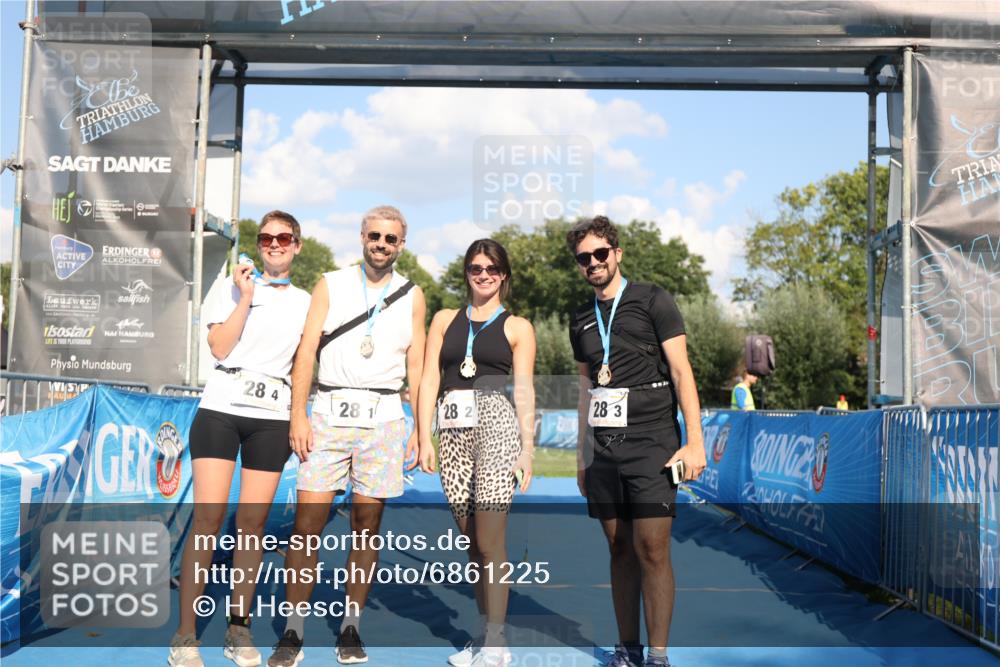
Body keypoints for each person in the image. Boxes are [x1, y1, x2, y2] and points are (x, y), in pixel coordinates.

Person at [268, 205, 426, 666]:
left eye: (390, 238)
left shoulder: (412, 294)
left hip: (384, 418)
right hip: (329, 413)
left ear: (401, 245)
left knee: (366, 527)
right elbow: (306, 352)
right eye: (374, 236)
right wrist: (298, 415)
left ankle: (350, 626)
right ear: (362, 237)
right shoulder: (331, 283)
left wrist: (421, 428)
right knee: (306, 527)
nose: (381, 244)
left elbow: (417, 364)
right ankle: (293, 629)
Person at [169, 211, 311, 667]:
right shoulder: (233, 286)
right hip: (221, 409)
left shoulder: (307, 302)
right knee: (208, 521)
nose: (274, 244)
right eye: (266, 238)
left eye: (283, 238)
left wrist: (299, 416)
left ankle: (238, 628)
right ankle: (185, 636)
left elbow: (306, 363)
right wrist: (246, 297)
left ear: (297, 245)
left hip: (271, 417)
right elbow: (219, 347)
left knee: (252, 526)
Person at [567, 216, 705, 667]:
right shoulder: (580, 318)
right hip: (604, 449)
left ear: (617, 253)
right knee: (619, 549)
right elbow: (585, 390)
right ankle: (627, 650)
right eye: (584, 258)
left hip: (653, 442)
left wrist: (695, 442)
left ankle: (658, 656)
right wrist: (583, 455)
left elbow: (682, 372)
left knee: (651, 548)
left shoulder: (652, 299)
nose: (593, 262)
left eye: (600, 253)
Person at [417, 238, 535, 667]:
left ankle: (497, 643)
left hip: (496, 428)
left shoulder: (517, 327)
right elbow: (429, 378)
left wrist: (527, 449)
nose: (483, 275)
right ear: (466, 272)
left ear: (503, 275)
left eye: (491, 269)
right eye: (475, 268)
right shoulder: (444, 319)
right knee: (471, 541)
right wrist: (423, 435)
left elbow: (524, 389)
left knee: (489, 539)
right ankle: (485, 635)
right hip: (452, 432)